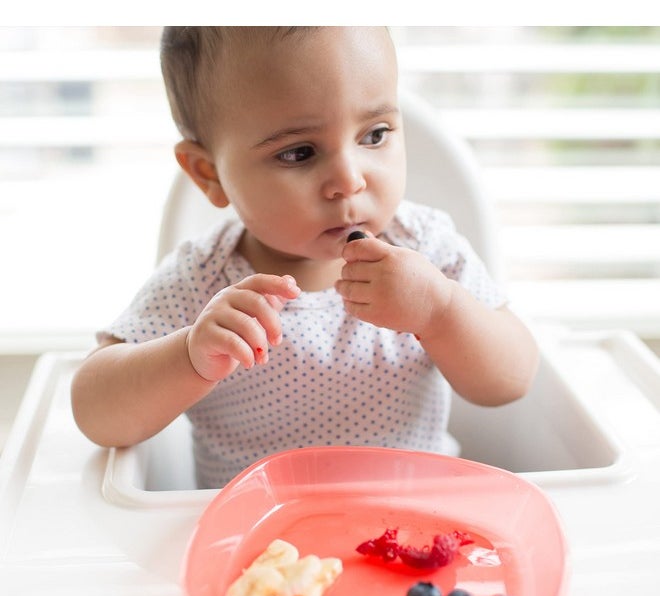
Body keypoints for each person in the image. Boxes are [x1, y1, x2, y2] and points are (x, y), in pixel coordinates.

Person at [71, 26, 539, 488]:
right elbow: (96, 412)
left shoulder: (426, 249)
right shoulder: (203, 281)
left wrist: (441, 310)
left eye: (374, 135)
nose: (349, 179)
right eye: (299, 153)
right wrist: (190, 356)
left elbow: (512, 379)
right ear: (209, 173)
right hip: (266, 550)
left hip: (414, 523)